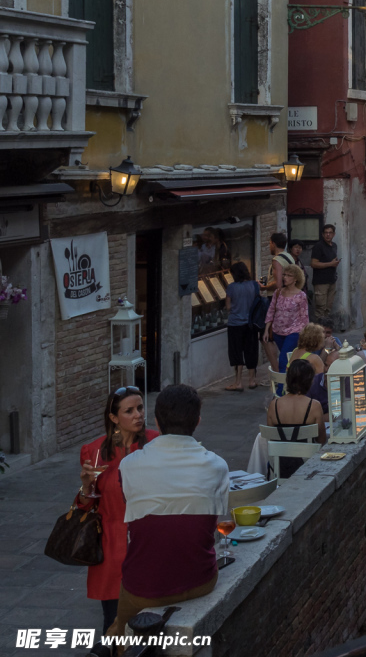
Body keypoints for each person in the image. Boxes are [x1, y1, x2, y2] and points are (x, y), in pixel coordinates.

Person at [108, 385, 228, 639]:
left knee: (120, 632)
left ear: (156, 421)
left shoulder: (128, 466)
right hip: (201, 580)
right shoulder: (218, 466)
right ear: (197, 420)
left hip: (144, 587)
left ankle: (117, 640)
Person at [75, 388, 159, 645]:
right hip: (112, 548)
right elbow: (85, 507)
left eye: (140, 408)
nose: (138, 415)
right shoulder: (94, 451)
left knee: (153, 622)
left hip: (149, 543)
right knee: (114, 623)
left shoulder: (157, 443)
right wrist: (86, 486)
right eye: (129, 411)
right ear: (113, 418)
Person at [266, 360, 326, 478]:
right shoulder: (314, 406)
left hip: (280, 467)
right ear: (309, 381)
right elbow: (321, 440)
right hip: (306, 466)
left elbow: (272, 438)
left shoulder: (274, 405)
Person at [263, 263, 310, 373]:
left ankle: (281, 383)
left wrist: (305, 335)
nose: (285, 277)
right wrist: (266, 330)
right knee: (290, 359)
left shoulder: (301, 296)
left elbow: (304, 317)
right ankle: (293, 378)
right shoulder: (278, 292)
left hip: (293, 332)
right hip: (277, 331)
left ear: (295, 279)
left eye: (289, 275)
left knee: (283, 360)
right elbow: (271, 311)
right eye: (284, 275)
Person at [224, 261, 260, 391]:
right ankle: (252, 380)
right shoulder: (254, 285)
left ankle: (238, 382)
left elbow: (228, 307)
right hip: (251, 323)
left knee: (237, 352)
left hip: (235, 324)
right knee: (251, 350)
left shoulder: (231, 287)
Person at [310, 224, 340, 321]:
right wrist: (330, 264)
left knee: (328, 308)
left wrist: (335, 263)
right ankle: (318, 329)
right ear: (322, 234)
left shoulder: (334, 246)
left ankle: (325, 328)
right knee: (320, 309)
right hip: (321, 282)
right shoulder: (318, 246)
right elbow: (313, 263)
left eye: (330, 233)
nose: (328, 235)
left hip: (331, 280)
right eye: (326, 233)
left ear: (334, 234)